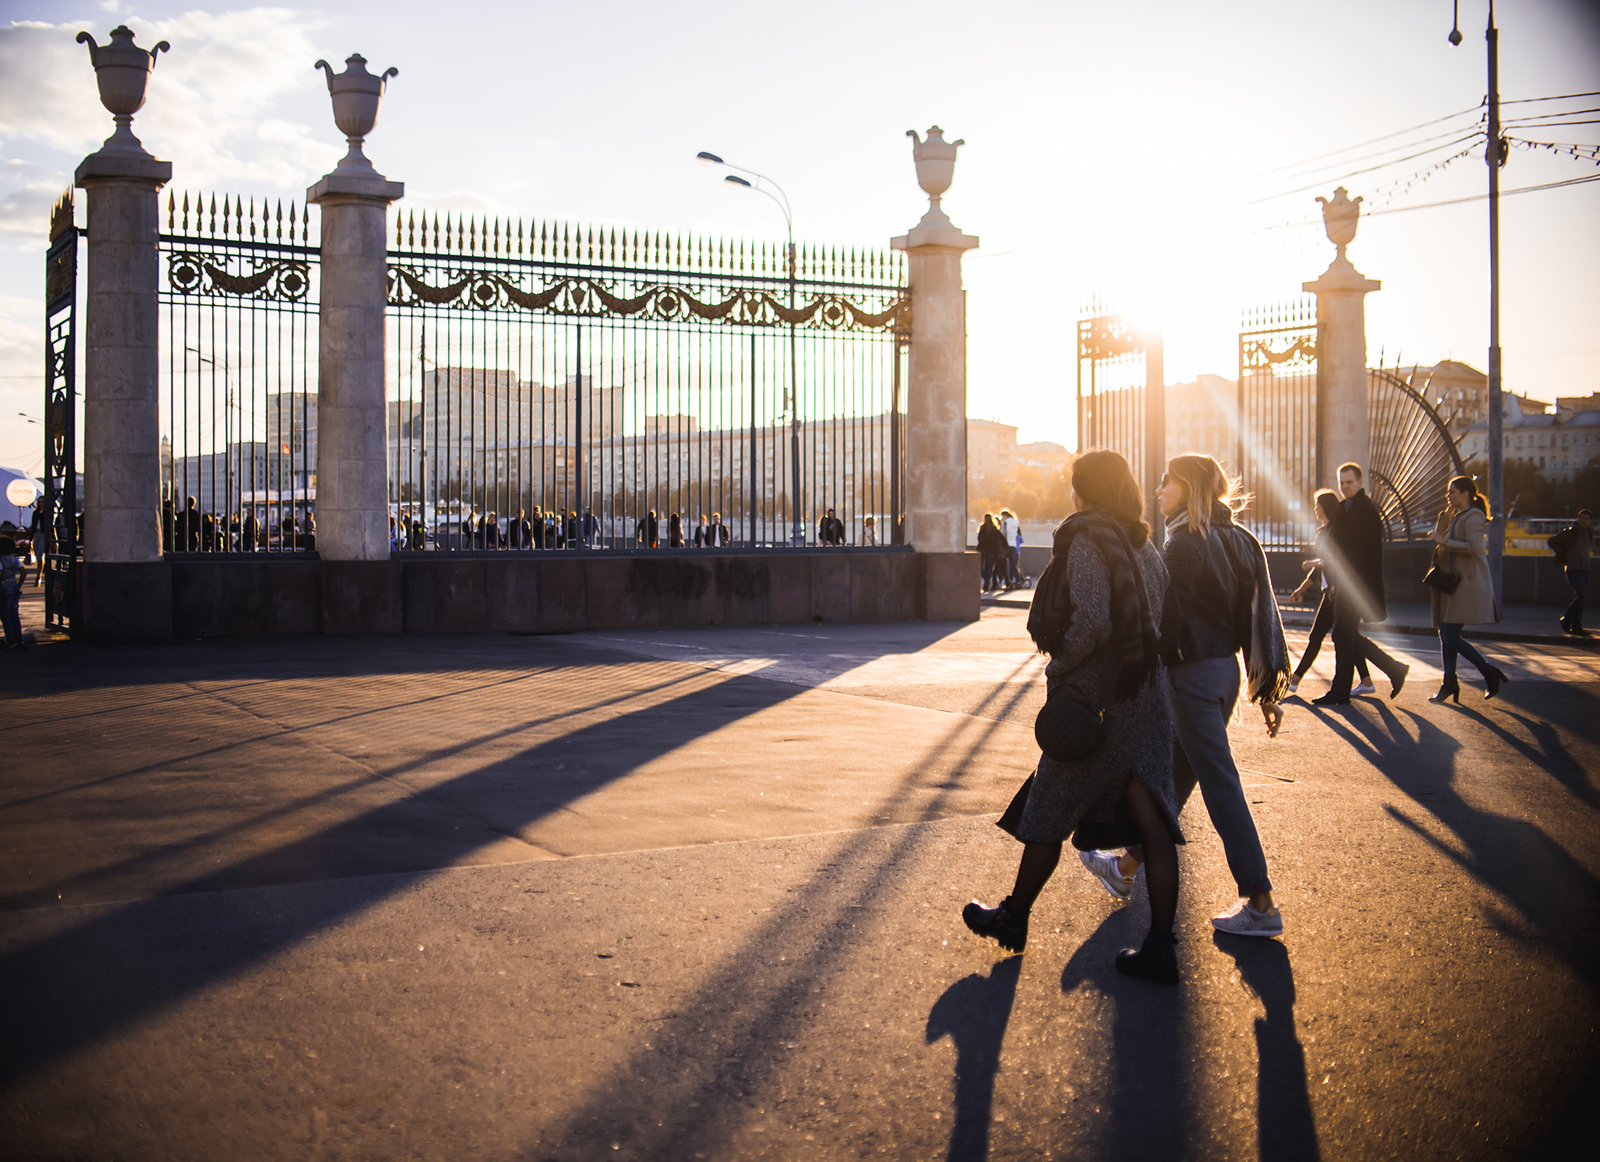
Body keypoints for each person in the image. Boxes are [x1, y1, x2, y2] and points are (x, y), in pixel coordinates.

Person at [962, 451, 1183, 983]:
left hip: (1097, 700)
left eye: (1074, 484)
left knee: (1050, 803)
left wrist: (1060, 667)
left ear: (1087, 489)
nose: (1071, 494)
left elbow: (1092, 622)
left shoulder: (1086, 538)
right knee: (1152, 820)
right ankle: (1160, 947)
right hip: (1146, 694)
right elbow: (1159, 613)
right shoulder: (1143, 541)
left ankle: (1014, 918)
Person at [1080, 454, 1291, 939]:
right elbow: (1260, 622)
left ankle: (1260, 900)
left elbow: (1165, 624)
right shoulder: (1241, 540)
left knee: (1220, 783)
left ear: (1187, 486)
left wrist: (1125, 672)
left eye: (1165, 481)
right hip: (1226, 674)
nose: (1157, 490)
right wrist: (1266, 694)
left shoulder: (1184, 542)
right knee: (1177, 775)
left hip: (1191, 676)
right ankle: (1127, 866)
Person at [1313, 462, 1409, 706]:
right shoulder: (1348, 508)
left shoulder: (1365, 510)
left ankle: (1344, 690)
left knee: (1343, 635)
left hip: (1358, 585)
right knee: (1345, 635)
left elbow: (1360, 554)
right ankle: (1390, 670)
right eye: (1341, 483)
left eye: (1349, 482)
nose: (1344, 487)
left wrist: (1343, 580)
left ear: (1360, 482)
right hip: (1348, 583)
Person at [1428, 476, 1509, 702]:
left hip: (1467, 582)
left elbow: (1474, 548)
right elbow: (1439, 535)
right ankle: (1450, 682)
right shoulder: (1457, 515)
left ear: (1465, 494)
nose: (1449, 496)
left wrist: (1445, 543)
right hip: (1454, 581)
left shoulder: (1474, 516)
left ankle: (1487, 671)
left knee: (1449, 634)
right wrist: (1445, 516)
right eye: (1448, 492)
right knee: (1446, 633)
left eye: (1452, 492)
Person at [1287, 489, 1371, 695]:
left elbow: (1337, 561)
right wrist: (1302, 588)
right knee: (1347, 636)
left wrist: (1315, 563)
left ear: (1325, 507)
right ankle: (1367, 681)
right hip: (1330, 590)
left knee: (1318, 636)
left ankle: (1295, 680)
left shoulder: (1336, 531)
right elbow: (1320, 569)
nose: (1315, 508)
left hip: (1337, 591)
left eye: (1317, 505)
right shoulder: (1321, 533)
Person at [1547, 509, 1594, 637]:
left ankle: (1577, 626)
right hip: (1574, 568)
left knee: (1582, 597)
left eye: (1586, 519)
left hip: (1585, 569)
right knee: (1583, 595)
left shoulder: (1589, 533)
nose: (1583, 521)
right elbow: (1552, 541)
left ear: (1590, 521)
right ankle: (1567, 619)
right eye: (1581, 518)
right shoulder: (1572, 532)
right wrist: (1565, 555)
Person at [1, 536, 25, 651]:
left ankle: (10, 640)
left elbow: (0, 573)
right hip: (14, 588)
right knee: (14, 615)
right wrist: (18, 585)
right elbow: (23, 572)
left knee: (5, 615)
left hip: (4, 589)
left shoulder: (0, 559)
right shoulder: (14, 559)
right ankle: (19, 638)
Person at [976, 513, 1004, 592]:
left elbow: (979, 538)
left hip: (982, 549)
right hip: (991, 551)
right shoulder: (994, 529)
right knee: (989, 567)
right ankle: (987, 580)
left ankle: (986, 579)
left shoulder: (982, 528)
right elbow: (1000, 539)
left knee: (980, 567)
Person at [999, 510, 1021, 589]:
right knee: (1013, 565)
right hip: (1013, 545)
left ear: (1005, 515)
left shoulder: (1005, 523)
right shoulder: (1015, 522)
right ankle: (1018, 580)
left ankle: (1005, 581)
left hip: (1006, 546)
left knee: (1002, 564)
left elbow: (1003, 534)